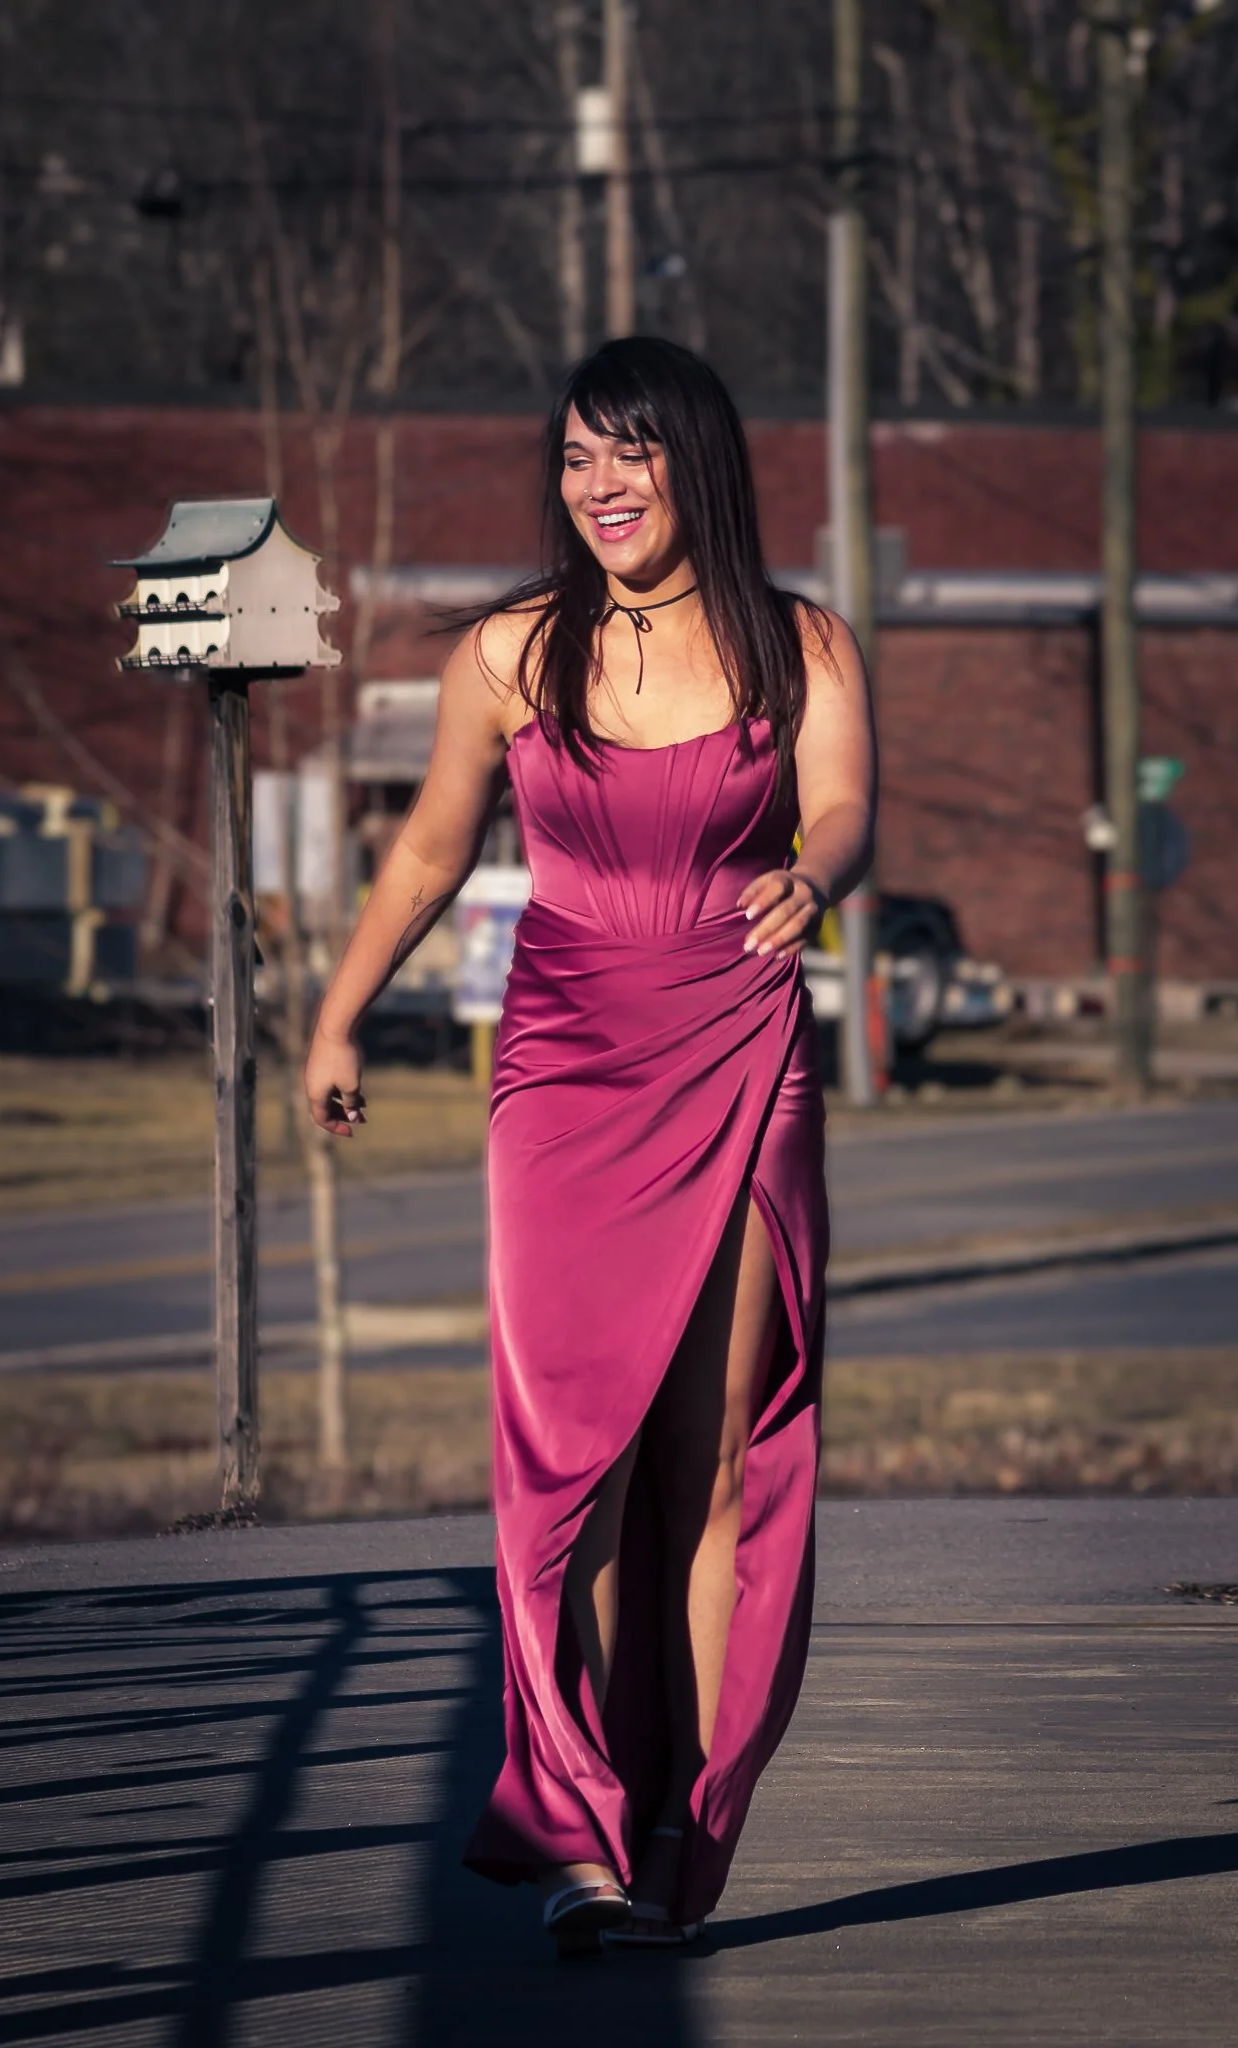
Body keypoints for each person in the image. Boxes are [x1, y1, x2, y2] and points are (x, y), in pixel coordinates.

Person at [305, 336, 876, 1957]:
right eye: (573, 459)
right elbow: (430, 844)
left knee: (703, 1469)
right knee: (581, 1462)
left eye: (627, 454)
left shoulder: (802, 642)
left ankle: (678, 1839)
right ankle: (585, 1837)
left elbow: (839, 807)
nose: (599, 485)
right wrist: (340, 1013)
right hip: (562, 1064)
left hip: (743, 1045)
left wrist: (816, 879)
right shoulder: (504, 653)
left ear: (698, 459)